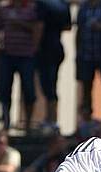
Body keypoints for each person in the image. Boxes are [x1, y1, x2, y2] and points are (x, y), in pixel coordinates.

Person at [0, 0, 44, 132]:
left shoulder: (32, 9)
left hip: (26, 56)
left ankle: (27, 123)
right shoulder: (3, 9)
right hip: (7, 55)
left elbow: (37, 28)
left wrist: (20, 24)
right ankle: (6, 122)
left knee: (28, 90)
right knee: (4, 89)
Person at [75, 0, 101, 118]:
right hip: (86, 55)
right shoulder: (83, 7)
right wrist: (77, 52)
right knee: (86, 89)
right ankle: (86, 119)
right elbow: (79, 30)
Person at [35, 0, 72, 131]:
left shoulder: (41, 4)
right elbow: (68, 27)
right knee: (52, 85)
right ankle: (52, 119)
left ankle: (51, 119)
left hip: (45, 49)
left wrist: (35, 47)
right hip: (58, 47)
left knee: (47, 87)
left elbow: (39, 26)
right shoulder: (63, 4)